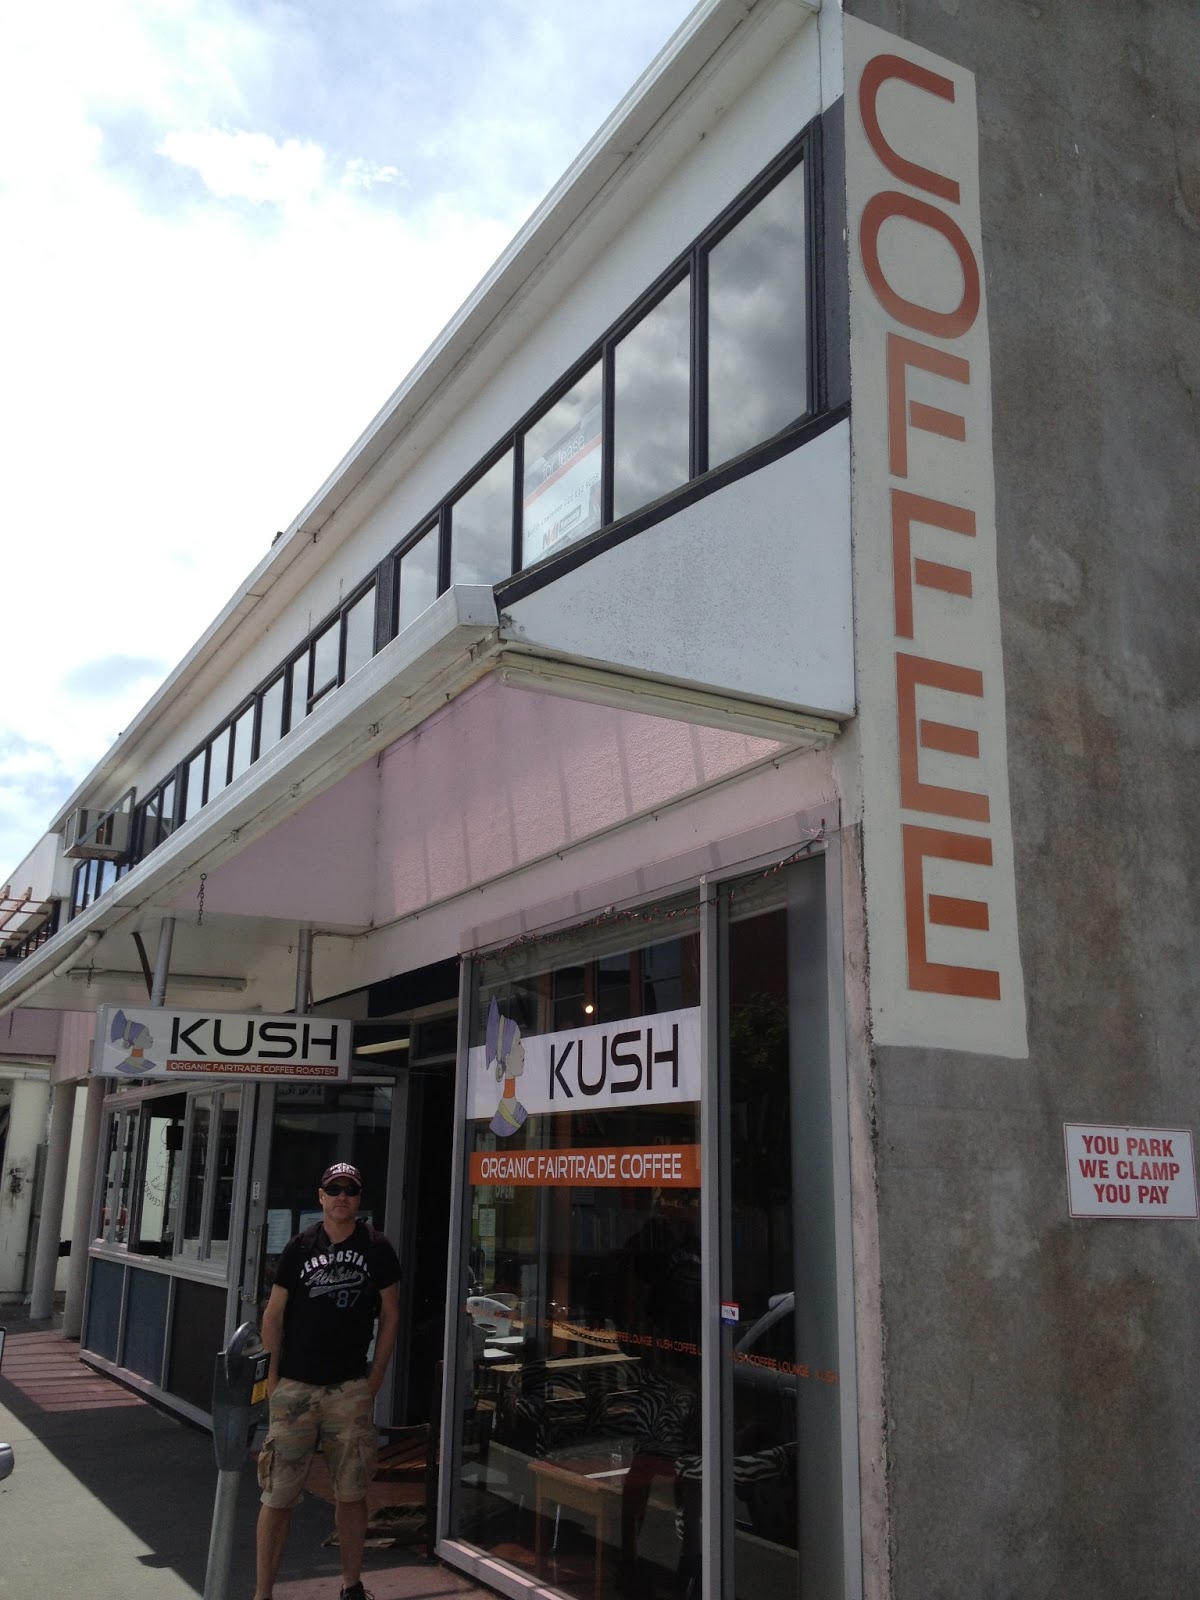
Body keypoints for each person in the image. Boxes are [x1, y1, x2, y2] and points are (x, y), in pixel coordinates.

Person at [253, 1161, 401, 1600]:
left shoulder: (377, 1247)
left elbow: (391, 1313)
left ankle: (352, 1585)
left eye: (349, 1190)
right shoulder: (299, 1247)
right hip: (296, 1388)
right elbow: (273, 1315)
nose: (341, 1197)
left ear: (359, 1198)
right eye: (333, 1189)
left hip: (349, 1388)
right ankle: (262, 1593)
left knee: (352, 1492)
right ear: (320, 1197)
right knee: (277, 1494)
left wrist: (376, 1377)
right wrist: (273, 1380)